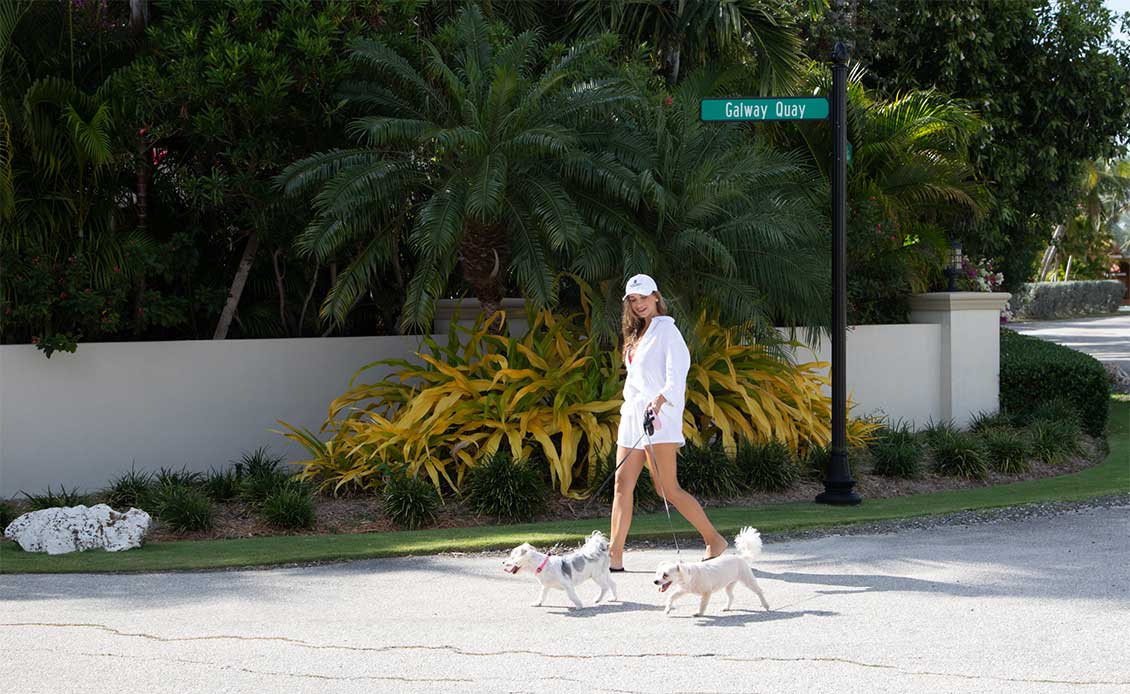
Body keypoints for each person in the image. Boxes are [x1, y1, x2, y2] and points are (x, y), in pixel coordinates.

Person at [608, 273, 728, 572]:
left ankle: (714, 540)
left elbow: (678, 374)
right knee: (622, 484)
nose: (639, 304)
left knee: (666, 488)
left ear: (656, 297)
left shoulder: (667, 331)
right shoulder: (637, 334)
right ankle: (614, 554)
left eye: (644, 298)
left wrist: (660, 401)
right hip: (633, 415)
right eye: (633, 300)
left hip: (659, 416)